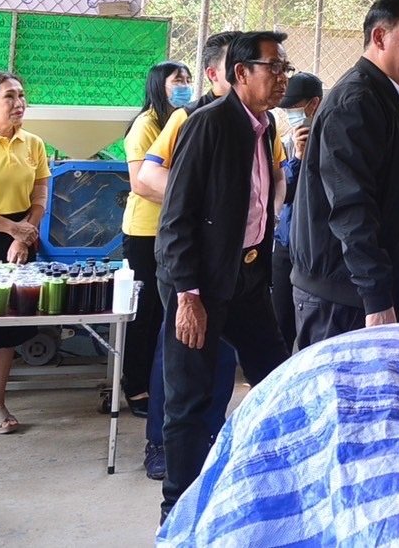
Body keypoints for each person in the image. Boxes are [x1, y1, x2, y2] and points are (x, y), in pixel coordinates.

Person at [154, 30, 295, 521]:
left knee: (278, 378)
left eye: (284, 68)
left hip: (248, 280)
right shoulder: (208, 124)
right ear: (241, 74)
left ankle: (269, 484)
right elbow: (176, 217)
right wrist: (188, 296)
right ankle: (178, 510)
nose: (282, 77)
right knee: (190, 401)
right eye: (273, 67)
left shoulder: (267, 125)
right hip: (200, 285)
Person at [290, 0, 399, 344]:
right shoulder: (355, 101)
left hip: (364, 291)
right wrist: (376, 295)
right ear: (380, 37)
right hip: (345, 299)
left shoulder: (384, 96)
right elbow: (350, 205)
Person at [135, 32, 246, 481]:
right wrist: (205, 208)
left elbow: (274, 179)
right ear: (217, 73)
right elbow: (146, 178)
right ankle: (162, 446)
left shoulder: (259, 124)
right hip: (188, 261)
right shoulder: (188, 117)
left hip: (238, 265)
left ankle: (213, 439)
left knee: (222, 355)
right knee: (179, 353)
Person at [0, 72, 48, 434]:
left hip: (19, 239)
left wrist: (23, 233)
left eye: (21, 95)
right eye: (9, 97)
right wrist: (11, 230)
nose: (19, 103)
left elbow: (40, 195)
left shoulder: (33, 143)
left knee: (5, 323)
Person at [119, 60, 193, 419]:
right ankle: (134, 386)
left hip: (174, 229)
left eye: (187, 78)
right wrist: (193, 201)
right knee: (144, 312)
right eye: (177, 80)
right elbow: (140, 182)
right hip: (145, 231)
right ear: (157, 85)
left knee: (167, 311)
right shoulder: (145, 125)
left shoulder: (185, 119)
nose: (185, 84)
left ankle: (158, 382)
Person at [270, 72, 323, 352]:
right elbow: (284, 192)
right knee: (281, 322)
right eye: (287, 109)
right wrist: (298, 158)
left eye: (295, 108)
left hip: (314, 246)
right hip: (286, 241)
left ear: (314, 104)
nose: (291, 114)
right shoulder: (286, 142)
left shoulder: (332, 136)